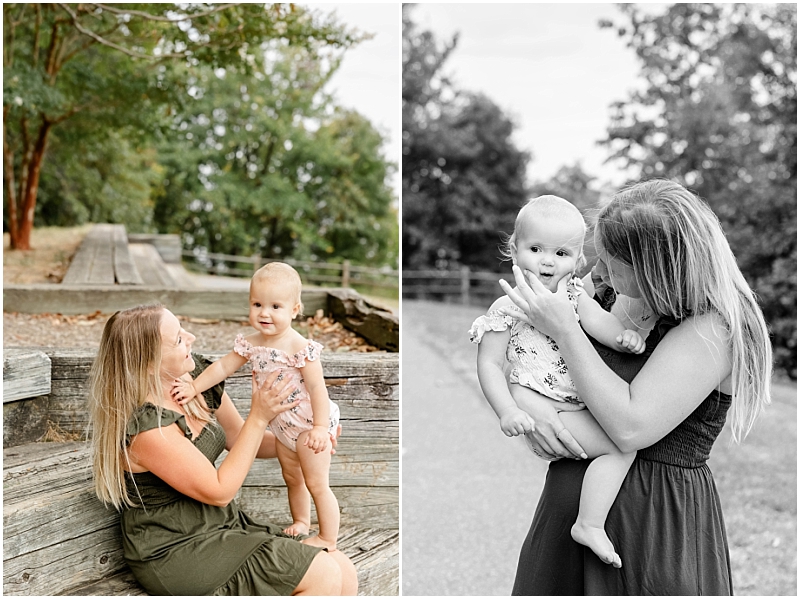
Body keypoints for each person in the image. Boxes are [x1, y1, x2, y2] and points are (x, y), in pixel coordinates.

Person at [498, 180, 772, 595]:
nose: (598, 271)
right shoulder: (611, 291)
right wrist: (530, 405)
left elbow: (630, 427)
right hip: (565, 511)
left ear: (654, 266)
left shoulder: (715, 328)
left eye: (611, 262)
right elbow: (530, 346)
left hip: (649, 528)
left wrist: (568, 330)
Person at [88, 303, 357, 596]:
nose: (190, 338)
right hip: (177, 549)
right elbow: (220, 491)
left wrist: (304, 438)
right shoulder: (149, 430)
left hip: (221, 526)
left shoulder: (196, 381)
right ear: (149, 362)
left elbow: (241, 438)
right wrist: (259, 415)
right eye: (178, 339)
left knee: (342, 566)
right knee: (323, 575)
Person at [469, 195, 645, 568]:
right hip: (540, 405)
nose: (548, 260)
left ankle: (587, 521)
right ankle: (590, 524)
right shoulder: (507, 306)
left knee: (620, 445)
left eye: (562, 254)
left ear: (579, 261)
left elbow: (600, 323)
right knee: (621, 449)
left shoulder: (574, 296)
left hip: (576, 404)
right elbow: (488, 364)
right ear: (514, 250)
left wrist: (621, 338)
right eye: (536, 248)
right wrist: (508, 410)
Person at [171, 262, 341, 550]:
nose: (264, 313)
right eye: (257, 303)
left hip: (308, 425)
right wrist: (193, 386)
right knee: (291, 477)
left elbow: (317, 388)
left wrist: (322, 428)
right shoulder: (251, 343)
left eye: (276, 306)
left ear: (295, 310)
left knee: (316, 482)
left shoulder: (301, 348)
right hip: (282, 427)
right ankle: (301, 521)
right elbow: (222, 367)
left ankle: (328, 538)